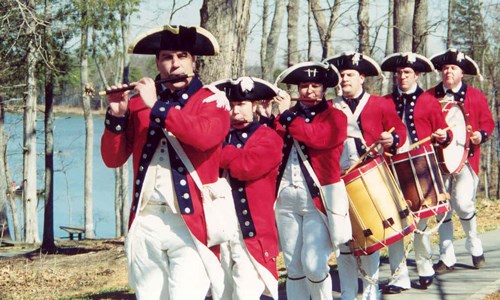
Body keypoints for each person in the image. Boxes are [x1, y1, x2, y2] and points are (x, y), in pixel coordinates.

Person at [100, 25, 231, 300]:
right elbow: (112, 160)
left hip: (191, 222)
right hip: (146, 219)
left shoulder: (212, 100)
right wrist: (117, 116)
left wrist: (157, 107)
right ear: (158, 62)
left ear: (193, 61)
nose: (175, 63)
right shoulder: (137, 105)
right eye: (167, 57)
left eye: (182, 55)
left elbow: (205, 137)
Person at [324, 51, 407, 300]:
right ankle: (349, 293)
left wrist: (392, 139)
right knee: (343, 242)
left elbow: (399, 130)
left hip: (370, 179)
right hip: (337, 181)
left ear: (362, 78)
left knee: (370, 238)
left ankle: (371, 292)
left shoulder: (380, 104)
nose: (345, 79)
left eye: (350, 75)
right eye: (341, 75)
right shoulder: (329, 107)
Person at [272, 61, 348, 300]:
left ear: (325, 90)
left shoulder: (336, 117)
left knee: (314, 265)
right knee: (293, 267)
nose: (309, 91)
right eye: (304, 86)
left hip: (318, 201)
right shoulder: (285, 118)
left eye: (316, 85)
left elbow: (316, 138)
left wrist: (285, 115)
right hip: (285, 198)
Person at [380, 52, 451, 293]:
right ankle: (399, 278)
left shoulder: (429, 101)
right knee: (396, 224)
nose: (402, 77)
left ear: (417, 75)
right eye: (399, 73)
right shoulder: (385, 102)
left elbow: (445, 132)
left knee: (420, 223)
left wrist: (444, 136)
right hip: (391, 167)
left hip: (421, 168)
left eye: (407, 73)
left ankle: (425, 268)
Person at [424, 48, 495, 274]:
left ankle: (474, 244)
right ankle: (447, 257)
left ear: (461, 73)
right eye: (445, 68)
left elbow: (488, 123)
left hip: (467, 158)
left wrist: (479, 136)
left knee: (463, 204)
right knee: (441, 209)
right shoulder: (429, 96)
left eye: (453, 68)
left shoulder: (475, 95)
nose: (448, 72)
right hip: (437, 161)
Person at [215, 76, 283, 300]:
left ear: (254, 106)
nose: (236, 112)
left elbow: (246, 167)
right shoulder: (219, 135)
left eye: (242, 105)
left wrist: (218, 153)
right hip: (219, 229)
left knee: (245, 293)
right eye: (232, 105)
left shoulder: (270, 137)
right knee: (221, 292)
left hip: (253, 232)